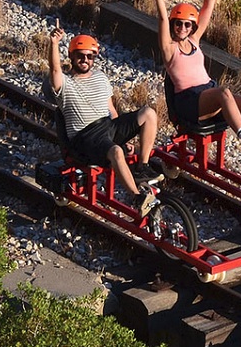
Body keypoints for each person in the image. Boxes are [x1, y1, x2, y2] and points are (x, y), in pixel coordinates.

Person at [154, 0, 241, 160]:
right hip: (189, 101)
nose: (182, 27)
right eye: (178, 23)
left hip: (207, 93)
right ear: (174, 24)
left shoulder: (194, 40)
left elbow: (207, 8)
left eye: (187, 24)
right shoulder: (169, 48)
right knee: (224, 92)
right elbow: (163, 19)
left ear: (192, 27)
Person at [47, 26, 159, 211]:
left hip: (107, 127)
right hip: (85, 137)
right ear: (72, 57)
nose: (85, 60)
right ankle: (137, 198)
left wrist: (122, 137)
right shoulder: (64, 85)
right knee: (115, 151)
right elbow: (54, 70)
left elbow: (111, 111)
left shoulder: (100, 77)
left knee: (148, 113)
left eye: (89, 56)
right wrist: (53, 44)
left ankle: (143, 166)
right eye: (80, 55)